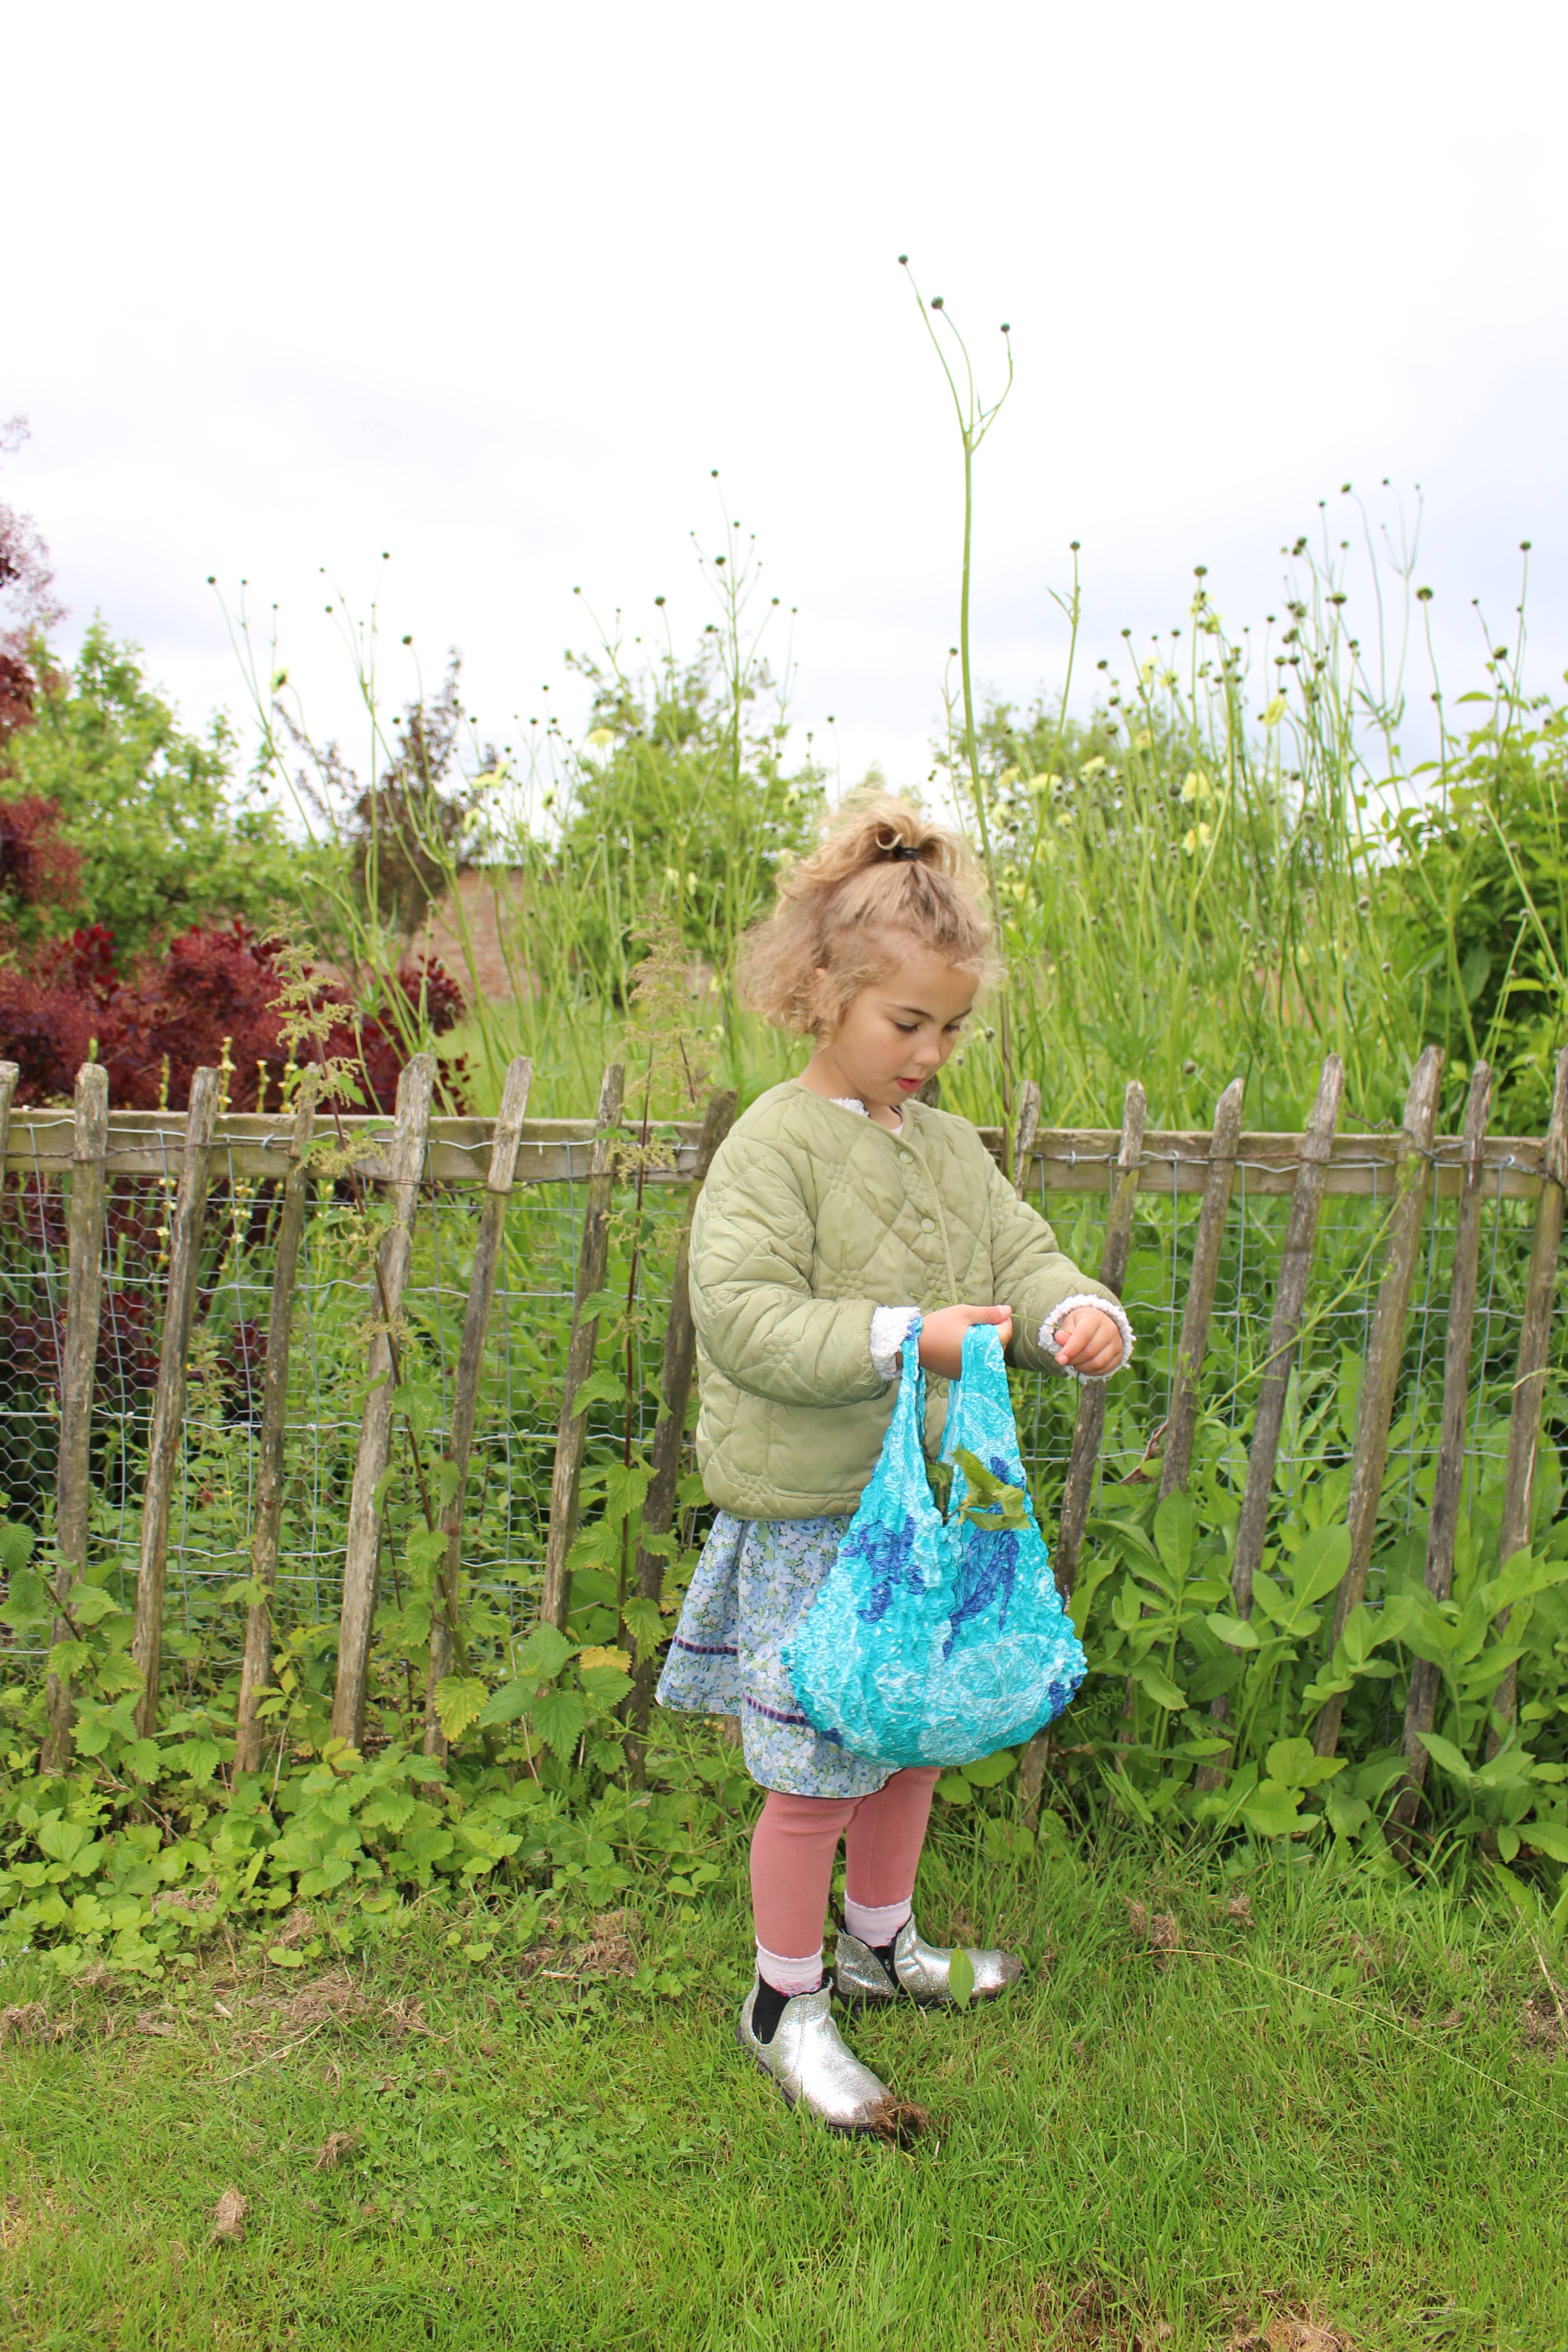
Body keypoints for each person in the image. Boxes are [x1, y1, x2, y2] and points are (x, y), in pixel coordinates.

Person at [657, 793, 1133, 2135]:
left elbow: (1022, 1256)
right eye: (906, 1024)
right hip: (816, 1518)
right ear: (822, 995)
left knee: (910, 1744)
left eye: (951, 1028)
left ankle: (881, 1942)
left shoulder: (953, 1149)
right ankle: (783, 1997)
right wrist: (898, 1338)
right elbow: (743, 1317)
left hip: (930, 1522)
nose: (932, 1054)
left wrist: (1068, 1315)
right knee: (814, 1771)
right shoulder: (774, 1143)